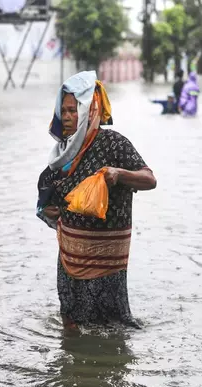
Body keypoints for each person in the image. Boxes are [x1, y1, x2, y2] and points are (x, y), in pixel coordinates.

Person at [36, 71, 157, 329]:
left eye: (73, 110)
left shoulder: (114, 144)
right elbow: (46, 195)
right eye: (63, 111)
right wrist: (48, 210)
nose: (66, 117)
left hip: (106, 264)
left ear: (90, 111)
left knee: (112, 327)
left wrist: (119, 174)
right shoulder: (62, 152)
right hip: (70, 259)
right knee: (70, 321)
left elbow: (149, 179)